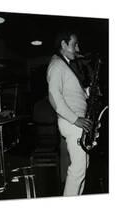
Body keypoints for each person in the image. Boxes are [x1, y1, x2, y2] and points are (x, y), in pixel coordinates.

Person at [46, 31, 92, 196]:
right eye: (75, 44)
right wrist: (75, 119)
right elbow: (54, 96)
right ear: (64, 45)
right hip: (72, 122)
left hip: (76, 121)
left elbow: (70, 93)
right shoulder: (57, 64)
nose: (78, 48)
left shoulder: (64, 65)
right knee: (78, 169)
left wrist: (86, 93)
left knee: (82, 167)